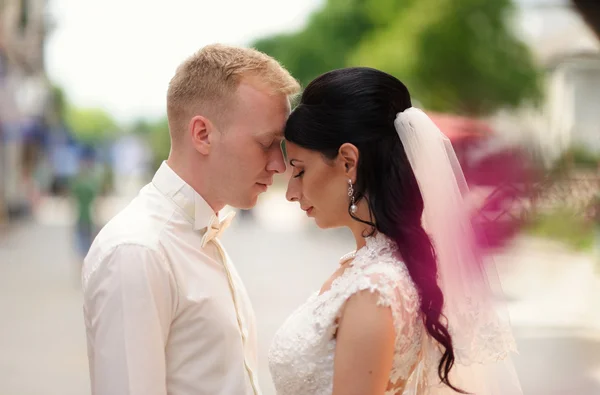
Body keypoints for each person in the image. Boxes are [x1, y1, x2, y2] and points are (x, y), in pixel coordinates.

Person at [268, 67, 522, 395]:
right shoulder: (380, 268)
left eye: (300, 171)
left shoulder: (372, 291)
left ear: (348, 162)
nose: (290, 191)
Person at [81, 44, 299, 395]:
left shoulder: (194, 234)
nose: (279, 164)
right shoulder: (139, 251)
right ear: (202, 134)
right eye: (267, 143)